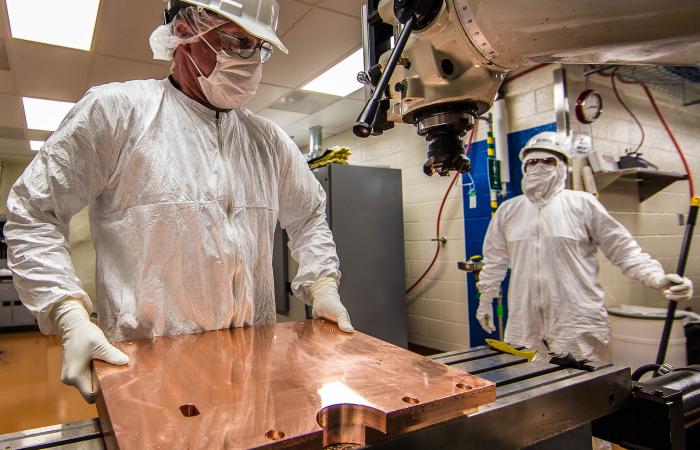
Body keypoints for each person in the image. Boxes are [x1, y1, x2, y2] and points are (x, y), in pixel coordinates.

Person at [4, 0, 353, 404]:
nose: (252, 61)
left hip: (252, 372)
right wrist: (67, 312)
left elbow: (309, 215)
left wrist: (323, 283)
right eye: (237, 40)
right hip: (147, 376)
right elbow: (33, 211)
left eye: (260, 48)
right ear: (186, 31)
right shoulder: (118, 113)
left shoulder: (268, 142)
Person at [475, 131, 693, 362]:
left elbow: (624, 250)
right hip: (524, 320)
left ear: (562, 167)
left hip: (576, 320)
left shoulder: (582, 204)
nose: (539, 166)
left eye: (548, 161)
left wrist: (657, 278)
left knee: (581, 389)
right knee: (528, 384)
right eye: (532, 161)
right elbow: (494, 261)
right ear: (524, 168)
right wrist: (486, 299)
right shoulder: (509, 211)